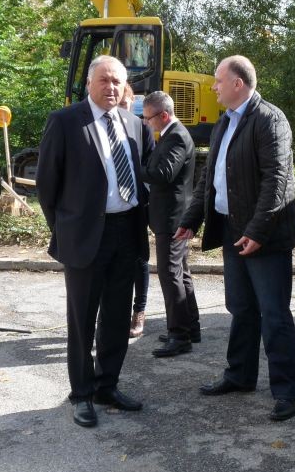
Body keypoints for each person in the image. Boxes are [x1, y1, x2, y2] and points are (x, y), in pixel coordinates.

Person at [175, 54, 295, 421]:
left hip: (264, 236)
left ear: (238, 83)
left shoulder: (269, 119)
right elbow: (209, 178)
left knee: (274, 314)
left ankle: (287, 390)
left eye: (218, 80)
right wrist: (192, 218)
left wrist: (257, 231)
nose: (213, 86)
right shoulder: (224, 122)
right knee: (241, 308)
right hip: (233, 230)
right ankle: (240, 375)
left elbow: (277, 180)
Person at [36, 55, 153, 428]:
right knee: (82, 320)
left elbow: (142, 178)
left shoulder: (134, 124)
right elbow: (46, 185)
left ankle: (107, 386)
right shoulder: (65, 121)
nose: (111, 87)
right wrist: (65, 229)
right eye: (104, 80)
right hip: (85, 236)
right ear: (89, 83)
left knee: (117, 318)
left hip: (126, 232)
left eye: (117, 81)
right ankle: (82, 394)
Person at [140, 91, 201, 357]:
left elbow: (163, 173)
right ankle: (191, 327)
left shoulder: (176, 136)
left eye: (148, 118)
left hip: (172, 218)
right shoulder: (170, 134)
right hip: (172, 216)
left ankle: (179, 335)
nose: (146, 123)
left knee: (170, 274)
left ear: (164, 115)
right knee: (181, 272)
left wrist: (133, 168)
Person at [119, 82, 150, 338]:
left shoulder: (141, 127)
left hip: (137, 206)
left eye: (125, 104)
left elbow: (151, 165)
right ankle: (113, 313)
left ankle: (139, 310)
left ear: (132, 103)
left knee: (140, 260)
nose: (121, 109)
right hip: (109, 210)